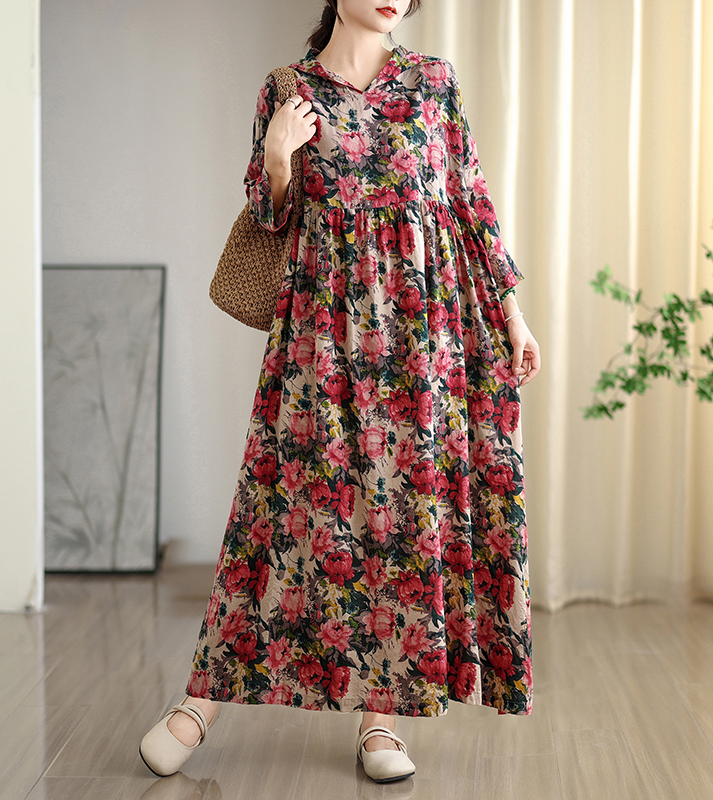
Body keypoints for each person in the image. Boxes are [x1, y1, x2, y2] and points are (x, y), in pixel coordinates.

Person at [140, 0, 540, 784]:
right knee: (282, 505)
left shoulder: (433, 82)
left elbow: (469, 202)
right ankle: (199, 704)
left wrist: (513, 316)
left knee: (403, 516)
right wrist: (279, 156)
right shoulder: (286, 89)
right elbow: (270, 215)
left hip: (423, 335)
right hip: (321, 331)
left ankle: (380, 721)